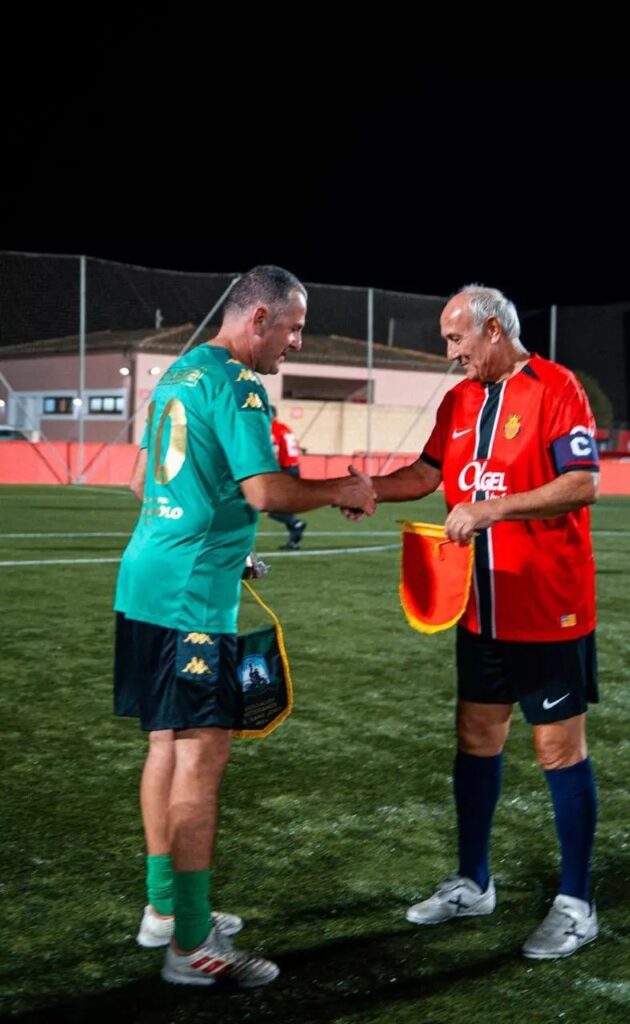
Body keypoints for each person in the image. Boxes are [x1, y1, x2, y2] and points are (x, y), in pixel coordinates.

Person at [114, 265, 375, 988]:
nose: (295, 341)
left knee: (167, 743)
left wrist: (226, 548)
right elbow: (267, 490)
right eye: (292, 327)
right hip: (191, 602)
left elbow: (143, 485)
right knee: (203, 756)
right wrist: (343, 489)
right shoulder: (238, 383)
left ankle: (166, 910)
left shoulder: (179, 374)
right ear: (257, 318)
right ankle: (192, 948)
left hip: (147, 580)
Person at [349, 284, 601, 959]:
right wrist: (364, 488)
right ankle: (473, 881)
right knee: (476, 735)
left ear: (493, 330)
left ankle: (577, 903)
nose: (450, 352)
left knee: (558, 750)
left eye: (457, 339)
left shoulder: (557, 388)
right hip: (480, 607)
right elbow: (429, 473)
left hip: (549, 606)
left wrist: (494, 509)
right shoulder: (459, 400)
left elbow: (583, 483)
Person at [268, 404, 307, 549]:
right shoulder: (285, 427)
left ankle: (296, 524)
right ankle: (294, 541)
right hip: (294, 468)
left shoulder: (272, 429)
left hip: (285, 470)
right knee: (285, 507)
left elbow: (274, 450)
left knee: (270, 508)